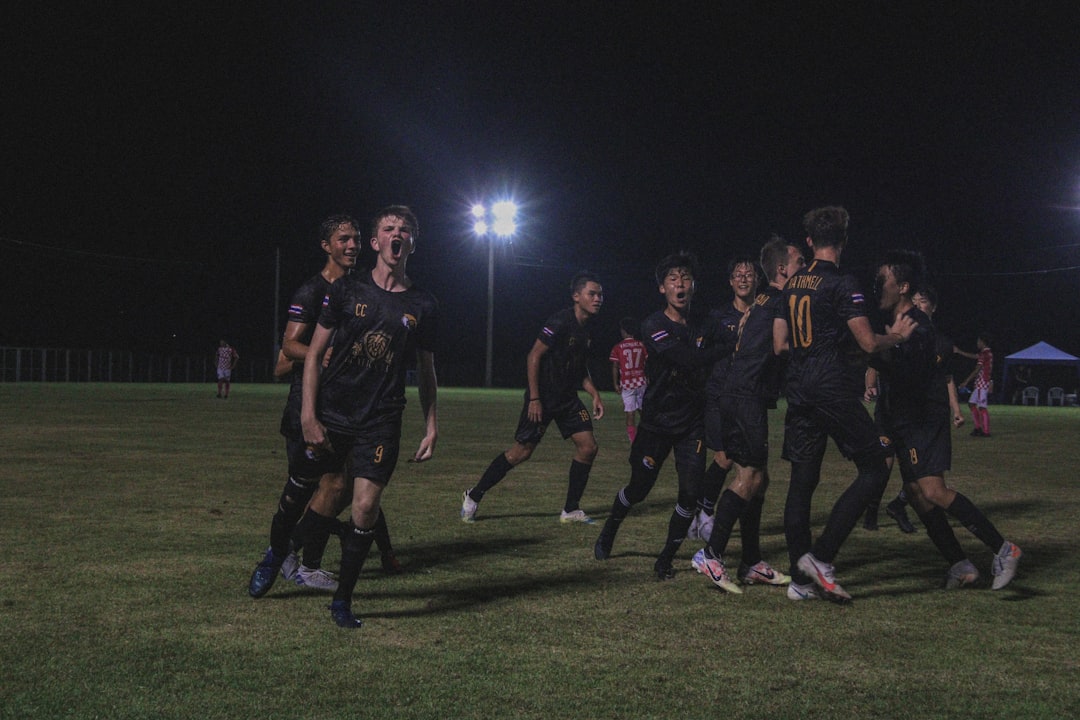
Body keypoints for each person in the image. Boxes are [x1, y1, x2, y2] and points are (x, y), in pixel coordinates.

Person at [247, 215, 399, 600]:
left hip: (345, 409)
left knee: (341, 487)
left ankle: (296, 558)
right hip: (308, 408)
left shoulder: (358, 289)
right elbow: (287, 351)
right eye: (343, 239)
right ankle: (286, 555)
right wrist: (323, 352)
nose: (352, 245)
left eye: (356, 239)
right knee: (327, 487)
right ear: (326, 246)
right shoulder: (312, 292)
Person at [301, 205, 439, 628]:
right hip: (337, 411)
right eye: (388, 229)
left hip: (382, 417)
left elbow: (427, 371)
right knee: (312, 490)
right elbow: (314, 354)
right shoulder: (347, 290)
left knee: (364, 507)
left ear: (412, 243)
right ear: (376, 241)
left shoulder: (423, 304)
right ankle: (278, 555)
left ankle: (342, 600)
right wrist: (309, 413)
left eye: (405, 231)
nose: (397, 235)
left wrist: (432, 423)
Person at [772, 206, 917, 602]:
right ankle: (820, 558)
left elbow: (780, 344)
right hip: (830, 386)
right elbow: (868, 342)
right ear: (844, 241)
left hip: (798, 388)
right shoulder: (842, 283)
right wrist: (898, 337)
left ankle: (800, 583)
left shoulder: (792, 285)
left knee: (802, 482)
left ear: (809, 242)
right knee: (874, 467)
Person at [869, 250, 1021, 589]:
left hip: (922, 420)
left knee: (933, 491)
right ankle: (961, 565)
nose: (878, 286)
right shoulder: (897, 326)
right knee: (915, 492)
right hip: (903, 420)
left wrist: (873, 350)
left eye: (885, 281)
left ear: (903, 287)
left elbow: (913, 375)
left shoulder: (918, 330)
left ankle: (1003, 549)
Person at [594, 252, 726, 579]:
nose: (679, 284)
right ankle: (610, 529)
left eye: (685, 278)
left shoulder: (706, 323)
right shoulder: (653, 324)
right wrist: (724, 348)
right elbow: (687, 359)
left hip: (691, 424)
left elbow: (733, 337)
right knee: (639, 488)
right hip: (655, 423)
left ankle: (665, 559)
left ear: (693, 286)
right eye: (672, 279)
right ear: (662, 289)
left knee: (690, 493)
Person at [691, 239, 803, 592]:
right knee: (749, 478)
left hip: (740, 395)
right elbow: (782, 345)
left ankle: (751, 561)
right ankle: (711, 554)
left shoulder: (760, 303)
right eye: (800, 261)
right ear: (783, 268)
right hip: (746, 398)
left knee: (759, 479)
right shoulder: (780, 300)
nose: (805, 265)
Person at [461, 273, 605, 524]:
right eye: (592, 294)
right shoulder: (560, 321)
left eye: (600, 294)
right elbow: (533, 356)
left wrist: (594, 395)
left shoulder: (588, 330)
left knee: (588, 447)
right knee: (521, 452)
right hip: (544, 397)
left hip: (568, 400)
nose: (598, 298)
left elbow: (580, 369)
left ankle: (570, 509)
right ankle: (473, 495)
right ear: (576, 296)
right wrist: (535, 399)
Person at [863, 284, 964, 534]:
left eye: (923, 301)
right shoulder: (899, 333)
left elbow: (947, 378)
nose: (917, 305)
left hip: (919, 417)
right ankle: (872, 510)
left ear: (934, 307)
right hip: (890, 411)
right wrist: (870, 386)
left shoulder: (941, 343)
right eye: (915, 301)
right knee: (883, 464)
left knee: (919, 475)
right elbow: (874, 363)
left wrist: (956, 409)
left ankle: (898, 506)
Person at [609, 317, 648, 443]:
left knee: (630, 413)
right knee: (644, 411)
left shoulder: (618, 347)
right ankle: (647, 436)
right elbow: (648, 363)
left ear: (623, 331)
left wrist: (615, 383)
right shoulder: (641, 345)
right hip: (642, 381)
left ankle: (634, 441)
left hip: (627, 383)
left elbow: (615, 366)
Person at [959, 333, 994, 437]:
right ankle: (978, 428)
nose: (977, 343)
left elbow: (976, 370)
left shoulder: (984, 354)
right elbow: (974, 356)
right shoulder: (987, 353)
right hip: (981, 384)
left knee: (982, 407)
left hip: (981, 384)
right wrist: (959, 351)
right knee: (971, 404)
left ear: (983, 342)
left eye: (978, 341)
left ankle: (986, 431)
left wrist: (966, 382)